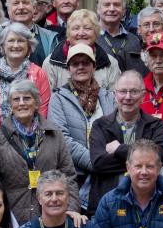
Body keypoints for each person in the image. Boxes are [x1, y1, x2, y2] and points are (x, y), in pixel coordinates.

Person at [0, 80, 77, 224]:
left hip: (50, 215)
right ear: (10, 105)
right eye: (16, 99)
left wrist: (71, 209)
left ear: (37, 103)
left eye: (27, 98)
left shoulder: (54, 134)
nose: (21, 103)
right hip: (11, 217)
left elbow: (68, 175)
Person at [88, 71, 163, 213]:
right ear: (114, 94)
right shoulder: (100, 125)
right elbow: (98, 163)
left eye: (134, 91)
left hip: (149, 204)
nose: (128, 97)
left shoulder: (156, 125)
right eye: (123, 91)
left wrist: (119, 150)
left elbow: (159, 156)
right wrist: (143, 161)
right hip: (108, 203)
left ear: (143, 95)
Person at [49, 44, 116, 207]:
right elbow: (62, 138)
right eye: (75, 63)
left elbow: (117, 130)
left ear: (94, 67)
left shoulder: (108, 97)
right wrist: (96, 162)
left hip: (108, 177)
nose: (80, 67)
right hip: (75, 177)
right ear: (68, 68)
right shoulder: (58, 99)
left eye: (85, 63)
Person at [0, 23, 51, 125]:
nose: (16, 45)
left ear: (29, 46)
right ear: (3, 45)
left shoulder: (39, 73)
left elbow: (42, 111)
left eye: (20, 41)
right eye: (11, 41)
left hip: (31, 135)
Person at [42, 9, 120, 93]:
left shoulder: (111, 63)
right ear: (68, 33)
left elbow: (115, 99)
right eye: (76, 28)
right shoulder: (50, 63)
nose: (81, 33)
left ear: (96, 33)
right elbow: (47, 101)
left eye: (87, 28)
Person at [3, 0, 58, 66]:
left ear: (34, 7)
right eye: (16, 3)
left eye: (25, 2)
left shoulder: (50, 38)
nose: (21, 7)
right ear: (8, 9)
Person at [96, 0, 145, 74]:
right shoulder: (90, 38)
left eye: (117, 5)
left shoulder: (134, 41)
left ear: (124, 11)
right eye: (107, 5)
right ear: (98, 10)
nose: (111, 9)